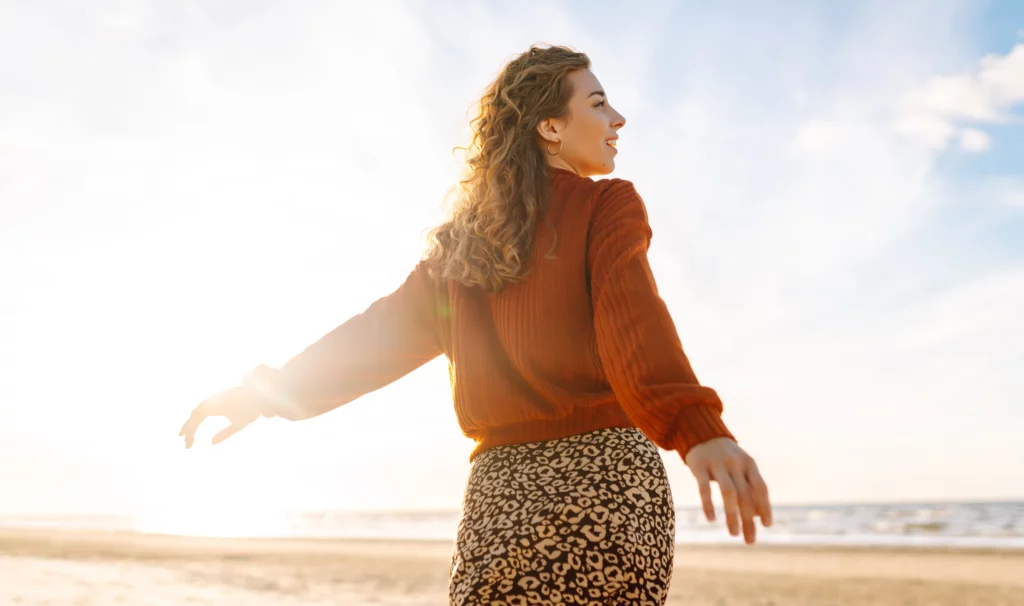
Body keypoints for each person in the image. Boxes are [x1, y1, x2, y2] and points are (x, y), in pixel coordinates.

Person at [179, 43, 772, 605]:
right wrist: (696, 427)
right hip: (606, 481)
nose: (618, 119)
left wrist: (262, 393)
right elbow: (632, 323)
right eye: (597, 103)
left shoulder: (460, 250)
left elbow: (372, 342)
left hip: (500, 499)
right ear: (550, 127)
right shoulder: (604, 205)